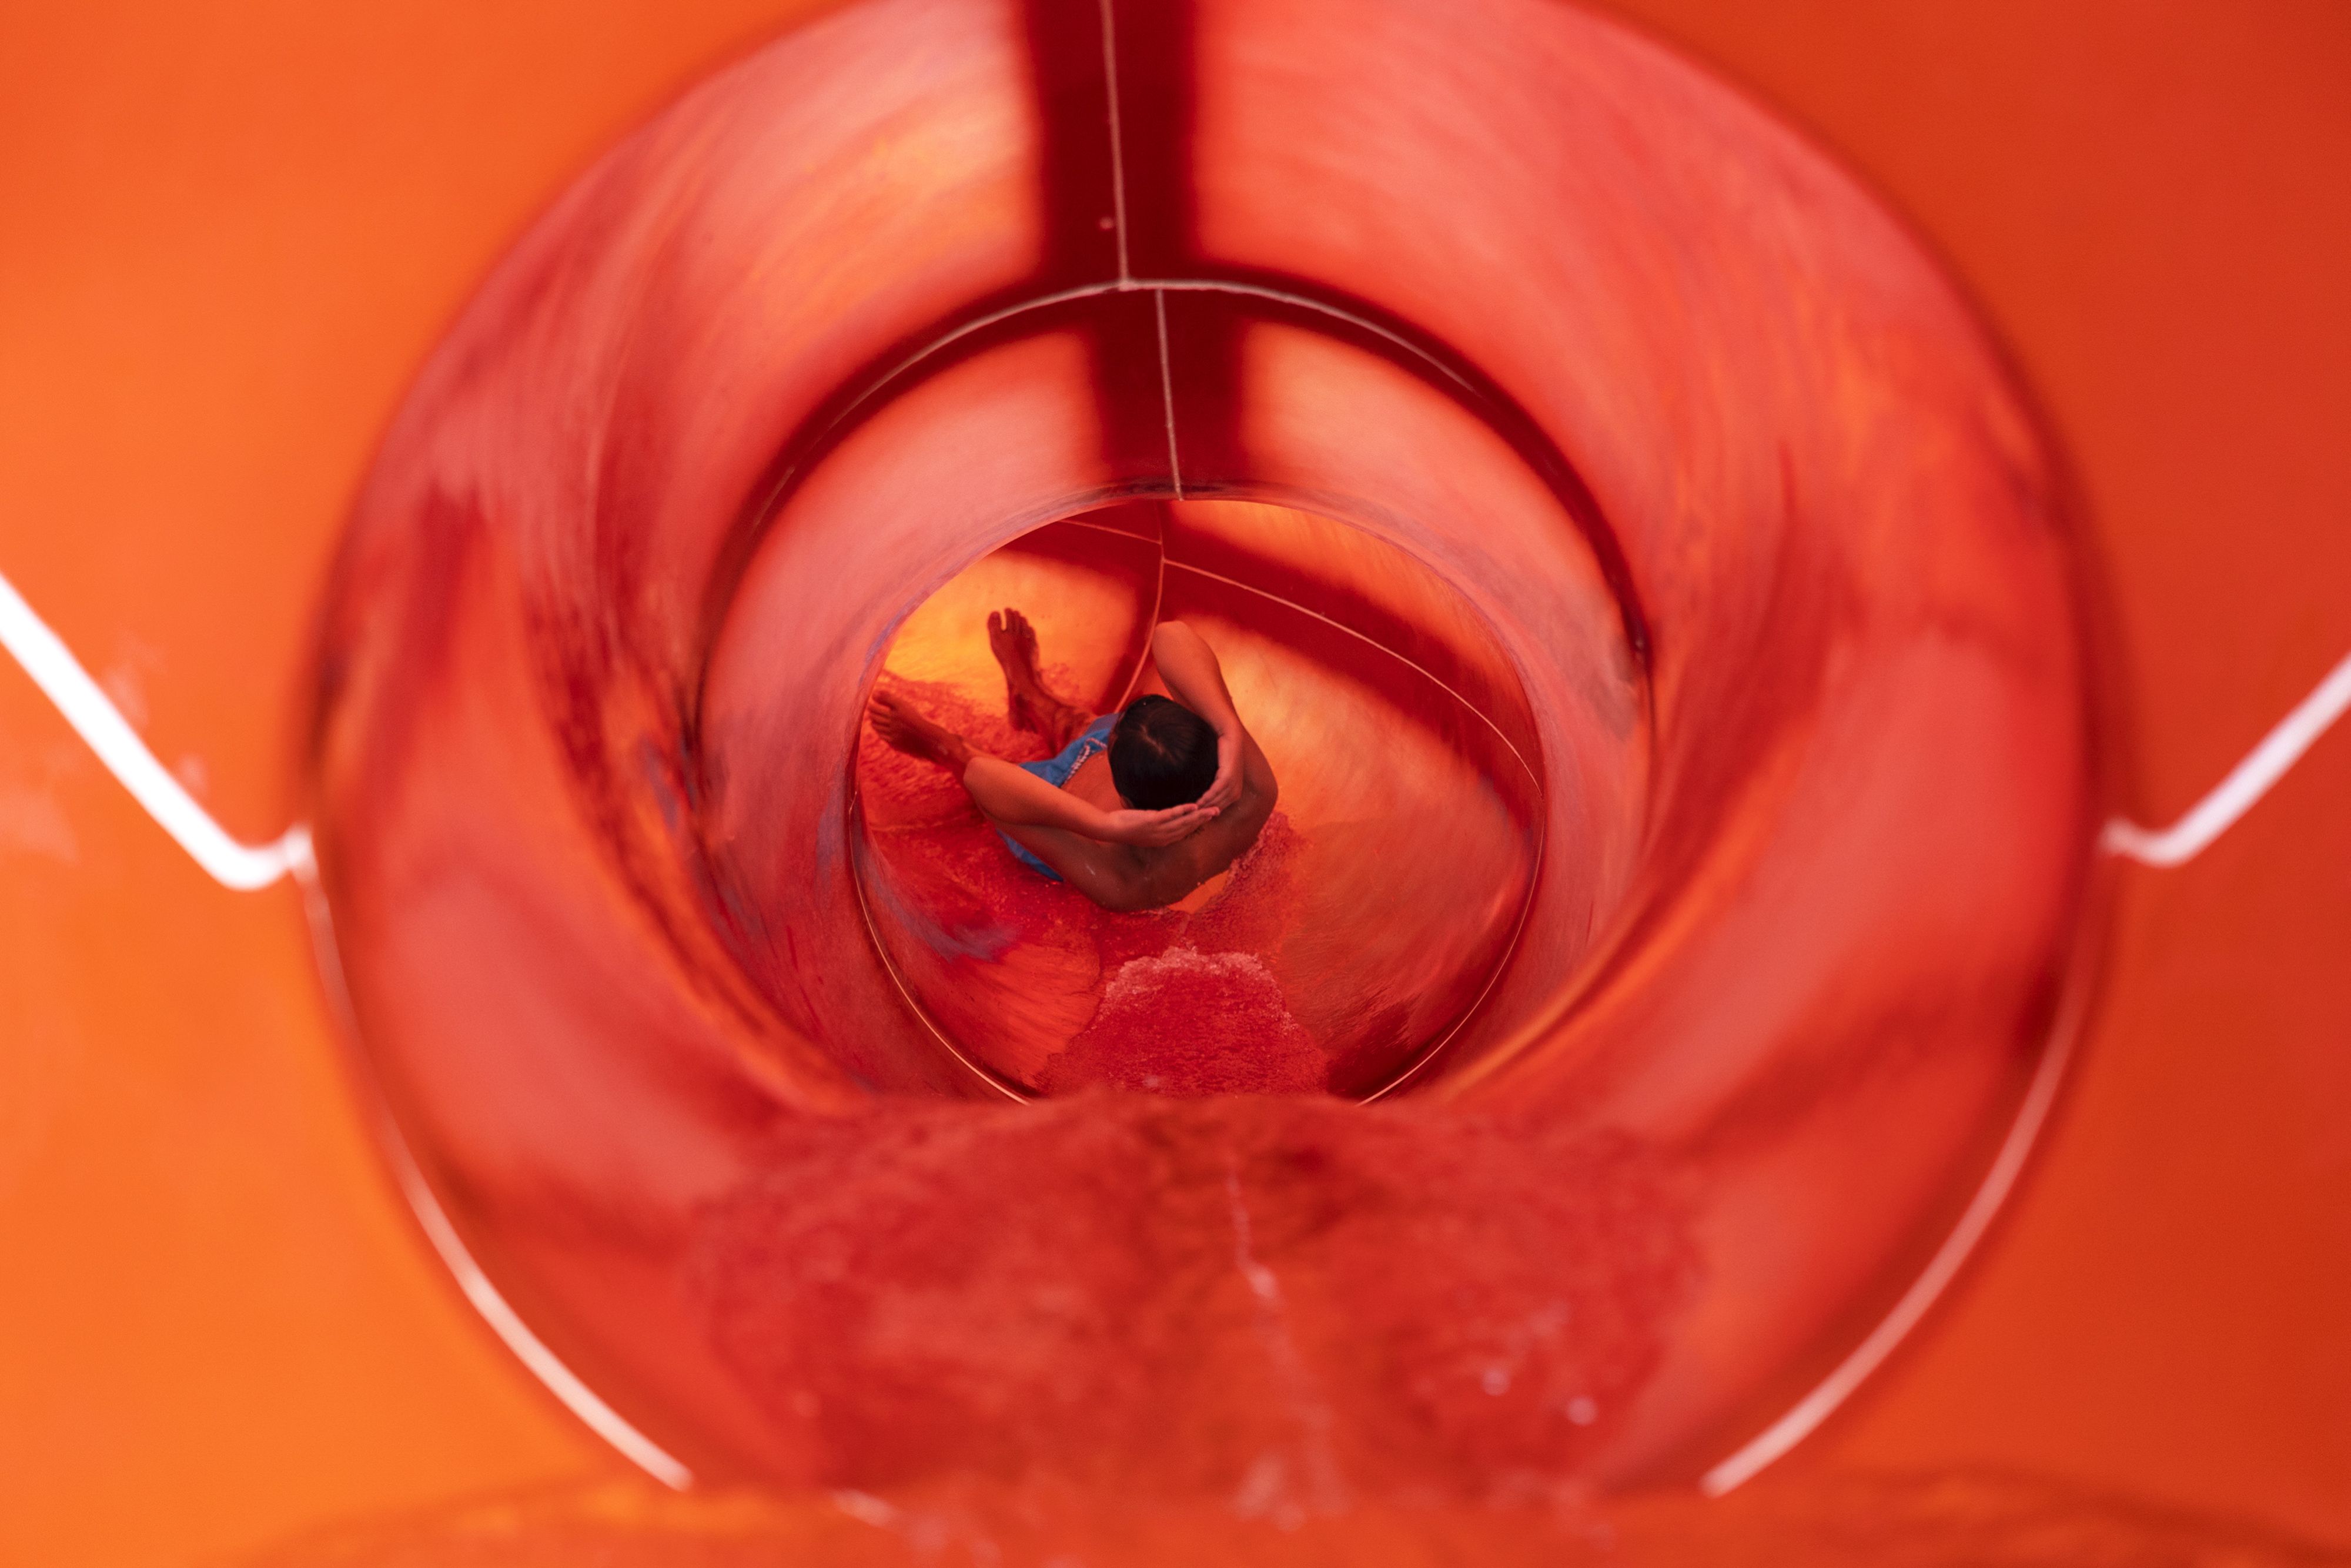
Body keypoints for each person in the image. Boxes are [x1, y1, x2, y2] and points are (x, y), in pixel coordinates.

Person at [868, 611, 1278, 912]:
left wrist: (1100, 825)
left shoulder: (1130, 879)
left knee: (970, 763)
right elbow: (1170, 634)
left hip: (1053, 799)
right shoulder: (1254, 795)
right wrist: (1228, 726)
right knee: (1081, 725)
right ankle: (1031, 694)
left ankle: (942, 748)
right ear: (1218, 756)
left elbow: (983, 778)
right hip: (1113, 755)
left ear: (1126, 801)